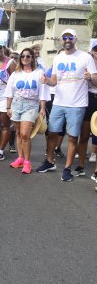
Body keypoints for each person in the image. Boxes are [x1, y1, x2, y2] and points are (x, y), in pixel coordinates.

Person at [37, 29, 97, 181]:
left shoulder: (85, 57)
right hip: (58, 102)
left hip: (77, 104)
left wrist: (90, 78)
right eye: (65, 37)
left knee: (72, 137)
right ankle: (50, 162)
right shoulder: (58, 58)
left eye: (70, 37)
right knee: (52, 134)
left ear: (75, 39)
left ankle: (67, 168)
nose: (67, 39)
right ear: (62, 40)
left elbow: (95, 81)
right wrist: (47, 81)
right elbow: (54, 81)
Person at [5, 48, 50, 174]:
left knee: (25, 134)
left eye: (28, 56)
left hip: (31, 105)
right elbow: (9, 92)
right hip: (16, 104)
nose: (25, 58)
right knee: (19, 133)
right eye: (23, 56)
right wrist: (8, 107)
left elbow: (42, 92)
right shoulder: (16, 73)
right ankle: (20, 158)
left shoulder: (39, 73)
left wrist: (42, 108)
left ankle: (27, 162)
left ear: (32, 58)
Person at [73, 40, 97, 177]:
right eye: (96, 50)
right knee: (84, 135)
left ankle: (96, 171)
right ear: (92, 51)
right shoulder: (84, 64)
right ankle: (81, 165)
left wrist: (92, 79)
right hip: (88, 99)